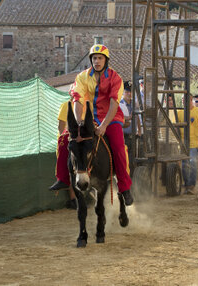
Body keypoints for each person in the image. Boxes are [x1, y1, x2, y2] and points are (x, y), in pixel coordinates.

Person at [50, 44, 133, 206]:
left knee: (118, 147)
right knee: (64, 139)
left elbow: (114, 103)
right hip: (88, 118)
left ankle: (124, 188)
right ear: (91, 60)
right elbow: (77, 100)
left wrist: (103, 126)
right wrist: (79, 123)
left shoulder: (115, 78)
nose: (97, 61)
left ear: (106, 60)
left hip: (111, 117)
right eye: (94, 58)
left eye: (100, 58)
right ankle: (63, 179)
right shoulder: (82, 77)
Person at [50, 85, 78, 209]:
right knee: (70, 171)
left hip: (77, 142)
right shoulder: (67, 105)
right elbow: (61, 127)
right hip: (66, 143)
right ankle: (73, 199)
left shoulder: (82, 106)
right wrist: (66, 141)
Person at [177, 94, 198, 194]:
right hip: (184, 143)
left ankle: (191, 185)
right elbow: (177, 128)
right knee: (184, 164)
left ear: (191, 100)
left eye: (186, 99)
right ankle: (187, 184)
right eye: (182, 100)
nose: (183, 101)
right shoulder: (179, 113)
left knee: (192, 162)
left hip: (194, 143)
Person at [119, 81, 141, 174]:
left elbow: (137, 117)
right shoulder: (119, 104)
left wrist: (139, 130)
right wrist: (128, 118)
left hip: (133, 135)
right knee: (124, 159)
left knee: (132, 160)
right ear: (123, 92)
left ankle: (131, 178)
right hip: (123, 135)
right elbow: (118, 119)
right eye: (127, 91)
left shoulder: (134, 103)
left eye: (130, 91)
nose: (129, 93)